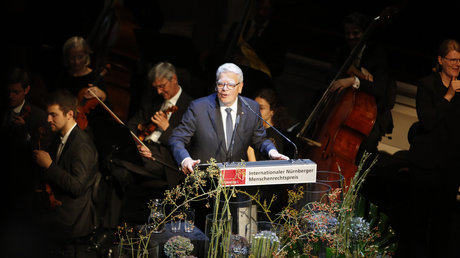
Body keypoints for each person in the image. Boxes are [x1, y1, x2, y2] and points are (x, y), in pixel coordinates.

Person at [393, 39, 460, 258]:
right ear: (441, 60)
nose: (457, 64)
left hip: (449, 166)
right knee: (418, 222)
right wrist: (449, 95)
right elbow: (428, 121)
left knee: (443, 224)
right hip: (425, 164)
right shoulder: (427, 85)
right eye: (452, 59)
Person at [169, 63, 289, 174]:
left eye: (231, 85)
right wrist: (185, 159)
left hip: (236, 183)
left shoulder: (251, 108)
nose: (224, 89)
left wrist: (272, 152)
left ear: (240, 87)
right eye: (221, 84)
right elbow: (177, 138)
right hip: (204, 180)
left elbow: (260, 140)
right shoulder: (199, 107)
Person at [32, 89, 101, 255]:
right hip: (58, 213)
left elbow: (77, 187)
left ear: (69, 114)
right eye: (48, 114)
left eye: (53, 115)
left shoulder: (82, 146)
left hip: (73, 221)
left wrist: (49, 166)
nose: (48, 119)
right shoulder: (59, 137)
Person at [327, 12, 396, 162]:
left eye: (356, 33)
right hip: (344, 111)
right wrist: (354, 74)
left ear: (365, 33)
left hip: (372, 115)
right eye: (348, 33)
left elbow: (379, 89)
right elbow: (332, 75)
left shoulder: (377, 53)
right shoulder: (343, 51)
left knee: (364, 149)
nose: (351, 37)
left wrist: (354, 80)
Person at [123, 61, 193, 189]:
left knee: (120, 164)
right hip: (144, 149)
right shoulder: (154, 100)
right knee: (118, 169)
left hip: (164, 158)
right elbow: (132, 124)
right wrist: (139, 144)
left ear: (174, 79)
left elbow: (187, 144)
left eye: (162, 86)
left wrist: (166, 128)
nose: (159, 91)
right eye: (156, 87)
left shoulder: (190, 107)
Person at [55, 36, 110, 136]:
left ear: (87, 55)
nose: (76, 62)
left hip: (85, 128)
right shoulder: (62, 76)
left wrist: (102, 95)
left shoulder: (96, 78)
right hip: (60, 123)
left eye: (80, 57)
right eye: (72, 58)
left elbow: (108, 113)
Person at [247, 87, 291, 161]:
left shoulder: (274, 137)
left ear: (272, 112)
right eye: (254, 107)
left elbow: (264, 169)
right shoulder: (252, 129)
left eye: (261, 108)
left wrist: (249, 151)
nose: (256, 111)